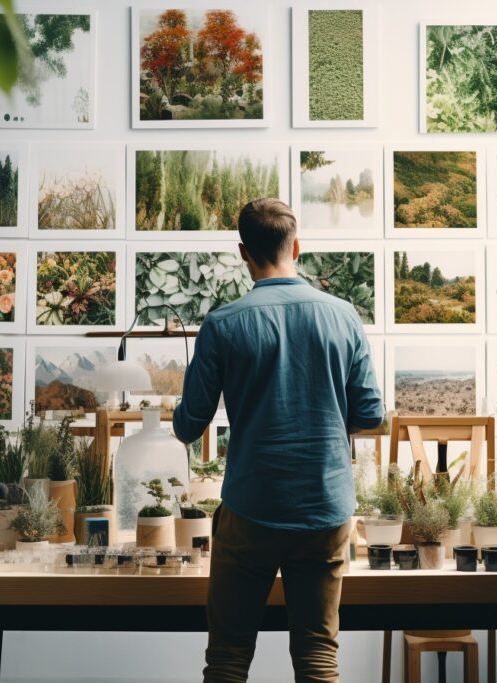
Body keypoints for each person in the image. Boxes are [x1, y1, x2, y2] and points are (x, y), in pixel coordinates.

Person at [173, 198, 384, 683]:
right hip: (325, 507)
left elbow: (189, 426)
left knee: (227, 657)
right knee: (317, 654)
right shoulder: (343, 316)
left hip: (251, 508)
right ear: (297, 246)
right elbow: (370, 413)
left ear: (243, 252)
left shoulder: (223, 323)